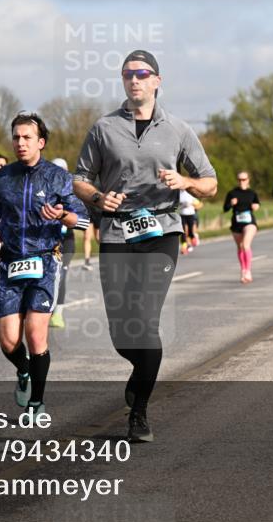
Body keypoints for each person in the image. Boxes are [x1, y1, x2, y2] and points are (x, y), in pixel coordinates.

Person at [74, 49, 217, 443]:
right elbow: (80, 179)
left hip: (161, 233)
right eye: (127, 75)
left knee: (146, 322)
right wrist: (99, 198)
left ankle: (139, 412)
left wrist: (185, 183)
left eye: (141, 74)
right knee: (122, 332)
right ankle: (141, 376)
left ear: (157, 80)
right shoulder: (103, 129)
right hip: (117, 233)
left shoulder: (179, 129)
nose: (134, 80)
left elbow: (210, 181)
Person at [0, 114, 88, 421]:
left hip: (44, 259)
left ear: (40, 142)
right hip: (9, 263)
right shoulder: (3, 178)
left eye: (27, 137)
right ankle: (24, 369)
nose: (20, 143)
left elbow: (83, 219)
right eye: (16, 137)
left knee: (35, 332)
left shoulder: (58, 177)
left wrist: (62, 216)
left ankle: (37, 403)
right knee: (7, 341)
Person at [48, 158, 82, 329]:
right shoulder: (43, 190)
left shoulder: (72, 194)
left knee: (60, 275)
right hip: (46, 240)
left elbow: (81, 220)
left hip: (66, 241)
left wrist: (64, 215)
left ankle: (58, 314)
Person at [224, 171, 261, 283]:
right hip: (236, 223)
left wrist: (255, 206)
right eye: (239, 179)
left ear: (248, 180)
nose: (241, 182)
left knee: (245, 245)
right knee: (240, 247)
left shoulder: (252, 193)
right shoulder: (232, 193)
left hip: (249, 222)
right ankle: (243, 270)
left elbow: (257, 204)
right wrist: (231, 204)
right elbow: (225, 208)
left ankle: (248, 271)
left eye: (244, 179)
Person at [178, 190, 202, 255]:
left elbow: (199, 205)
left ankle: (193, 238)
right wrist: (181, 205)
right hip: (182, 215)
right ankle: (184, 247)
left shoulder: (190, 194)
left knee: (191, 231)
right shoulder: (178, 193)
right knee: (183, 231)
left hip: (191, 214)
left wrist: (192, 205)